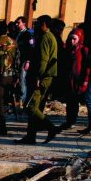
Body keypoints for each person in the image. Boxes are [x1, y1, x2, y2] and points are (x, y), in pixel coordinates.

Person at [17, 15, 60, 144]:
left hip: (41, 77)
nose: (35, 25)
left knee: (31, 107)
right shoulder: (46, 36)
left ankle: (51, 128)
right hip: (41, 76)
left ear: (44, 24)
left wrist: (38, 77)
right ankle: (30, 136)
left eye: (38, 23)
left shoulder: (46, 38)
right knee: (33, 107)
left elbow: (43, 61)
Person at [62, 28, 90, 131]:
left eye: (74, 39)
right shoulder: (68, 50)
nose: (72, 41)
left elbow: (87, 66)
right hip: (70, 80)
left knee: (82, 101)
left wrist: (86, 79)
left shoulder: (83, 50)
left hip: (79, 80)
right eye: (70, 39)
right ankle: (70, 121)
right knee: (70, 101)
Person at [13, 16, 35, 109]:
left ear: (24, 23)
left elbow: (31, 49)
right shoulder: (17, 34)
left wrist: (28, 61)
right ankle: (18, 99)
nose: (16, 24)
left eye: (18, 23)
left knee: (22, 79)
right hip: (17, 60)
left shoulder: (28, 34)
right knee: (17, 79)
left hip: (24, 60)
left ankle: (23, 99)